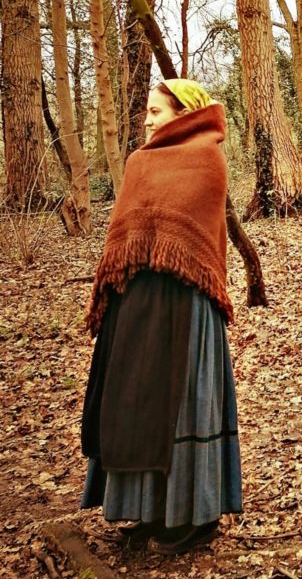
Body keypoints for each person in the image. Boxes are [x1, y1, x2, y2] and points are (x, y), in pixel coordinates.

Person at [80, 79, 242, 555]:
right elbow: (126, 229)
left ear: (184, 113)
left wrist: (163, 252)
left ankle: (193, 516)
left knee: (183, 405)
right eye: (147, 112)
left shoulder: (207, 157)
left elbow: (194, 234)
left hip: (186, 301)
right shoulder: (138, 162)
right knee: (132, 402)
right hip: (135, 301)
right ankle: (146, 510)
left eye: (156, 112)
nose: (147, 120)